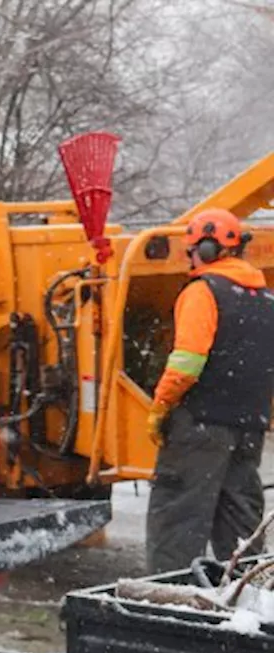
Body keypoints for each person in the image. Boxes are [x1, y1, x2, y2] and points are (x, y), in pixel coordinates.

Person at [146, 208, 274, 574]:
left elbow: (188, 361)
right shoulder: (267, 301)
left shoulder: (202, 292)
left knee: (177, 519)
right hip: (249, 427)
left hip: (199, 425)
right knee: (239, 526)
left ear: (205, 248)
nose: (189, 259)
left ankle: (168, 602)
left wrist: (161, 406)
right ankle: (240, 604)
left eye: (191, 250)